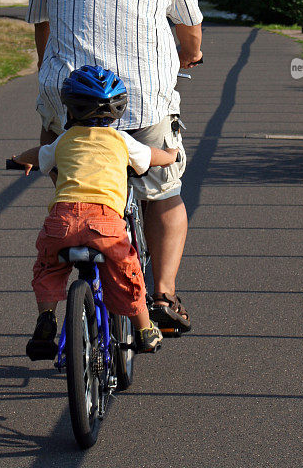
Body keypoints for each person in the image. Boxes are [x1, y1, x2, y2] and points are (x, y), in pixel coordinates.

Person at [26, 0, 203, 334]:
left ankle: (74, 241)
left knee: (75, 180)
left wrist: (52, 76)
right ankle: (161, 294)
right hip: (142, 102)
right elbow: (190, 29)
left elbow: (42, 26)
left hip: (69, 105)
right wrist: (189, 55)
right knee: (164, 192)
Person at [13, 65, 180, 359]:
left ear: (70, 108)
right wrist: (170, 156)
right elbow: (152, 156)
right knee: (126, 272)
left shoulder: (62, 141)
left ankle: (47, 317)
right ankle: (144, 330)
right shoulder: (121, 141)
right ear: (117, 111)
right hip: (104, 222)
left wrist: (18, 160)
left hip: (61, 221)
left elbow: (37, 156)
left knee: (49, 268)